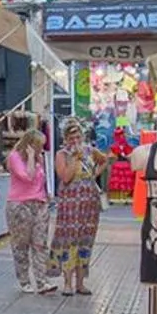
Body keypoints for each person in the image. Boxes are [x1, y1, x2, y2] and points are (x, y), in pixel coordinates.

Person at [48, 122, 104, 296]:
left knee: (85, 241)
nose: (75, 141)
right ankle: (67, 283)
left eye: (78, 137)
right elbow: (65, 177)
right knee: (69, 241)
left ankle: (80, 283)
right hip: (70, 206)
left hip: (89, 205)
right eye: (71, 138)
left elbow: (104, 160)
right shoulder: (62, 154)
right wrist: (74, 158)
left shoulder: (90, 150)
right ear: (65, 139)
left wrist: (94, 175)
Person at [5, 125, 54, 294]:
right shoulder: (14, 157)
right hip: (20, 205)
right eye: (39, 145)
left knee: (40, 243)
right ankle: (24, 280)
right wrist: (32, 158)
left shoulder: (40, 158)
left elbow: (40, 179)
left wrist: (47, 194)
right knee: (21, 244)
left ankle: (42, 281)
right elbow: (28, 176)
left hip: (39, 203)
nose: (42, 149)